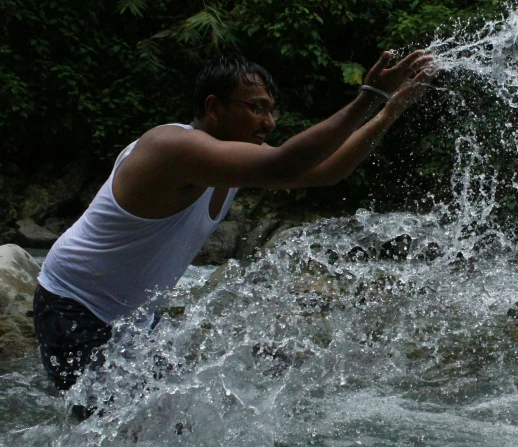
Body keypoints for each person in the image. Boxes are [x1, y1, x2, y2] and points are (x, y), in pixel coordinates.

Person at [33, 50, 435, 400]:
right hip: (75, 305)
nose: (269, 121)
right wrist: (369, 96)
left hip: (133, 319)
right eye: (256, 107)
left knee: (165, 427)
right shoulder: (170, 147)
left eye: (272, 109)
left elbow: (325, 173)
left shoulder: (230, 162)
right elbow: (288, 164)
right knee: (121, 442)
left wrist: (389, 110)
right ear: (214, 107)